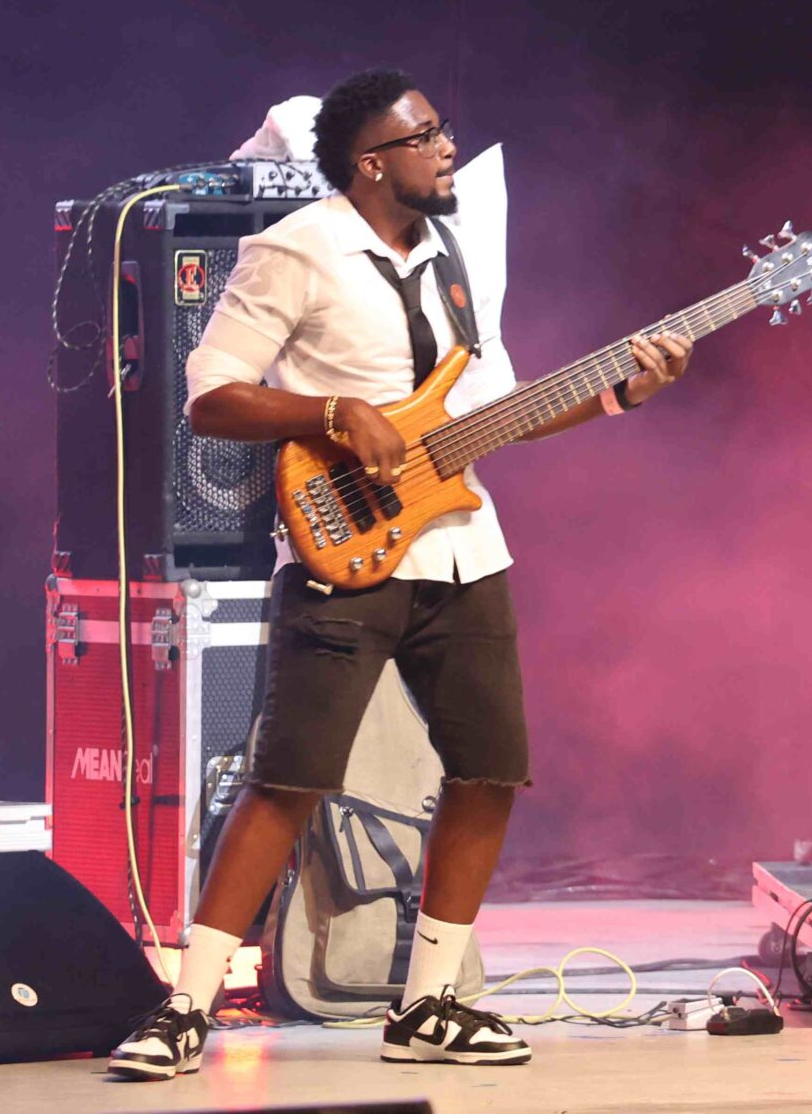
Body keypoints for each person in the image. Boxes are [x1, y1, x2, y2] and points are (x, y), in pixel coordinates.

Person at [108, 69, 695, 1081]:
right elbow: (210, 396)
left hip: (464, 552)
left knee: (489, 772)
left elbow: (497, 410)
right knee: (288, 781)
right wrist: (333, 413)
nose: (448, 147)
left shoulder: (451, 256)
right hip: (343, 549)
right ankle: (185, 1007)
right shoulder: (295, 250)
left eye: (444, 130)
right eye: (426, 136)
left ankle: (427, 1004)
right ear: (371, 162)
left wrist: (620, 395)